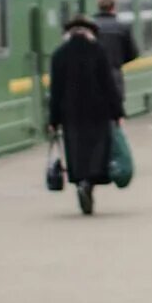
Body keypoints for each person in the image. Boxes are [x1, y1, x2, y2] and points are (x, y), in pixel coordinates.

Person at [48, 15, 126, 216]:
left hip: (71, 115)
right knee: (97, 152)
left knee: (77, 153)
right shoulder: (98, 51)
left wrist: (53, 120)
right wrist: (117, 112)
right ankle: (90, 184)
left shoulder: (59, 55)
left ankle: (81, 182)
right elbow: (109, 85)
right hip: (98, 113)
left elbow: (55, 91)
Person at [92, 0, 140, 99]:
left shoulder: (90, 28)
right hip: (115, 79)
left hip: (93, 79)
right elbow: (133, 53)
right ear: (114, 6)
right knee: (115, 112)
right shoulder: (122, 28)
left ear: (99, 6)